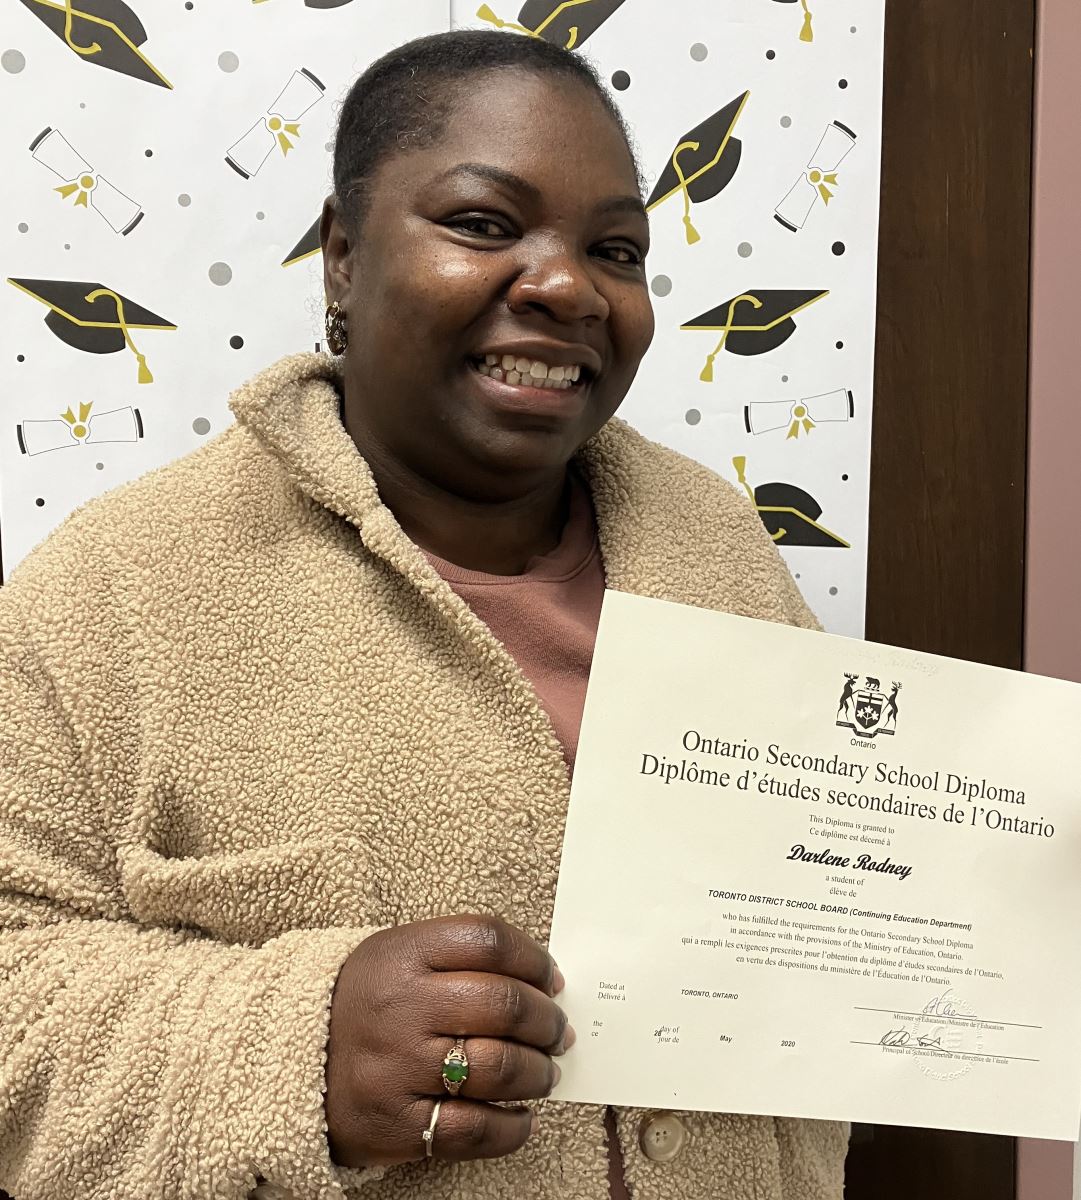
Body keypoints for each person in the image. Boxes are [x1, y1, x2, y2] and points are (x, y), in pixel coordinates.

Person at [0, 29, 848, 1200]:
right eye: (484, 225)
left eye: (614, 248)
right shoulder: (113, 589)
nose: (564, 286)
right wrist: (293, 1050)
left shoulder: (715, 542)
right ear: (344, 259)